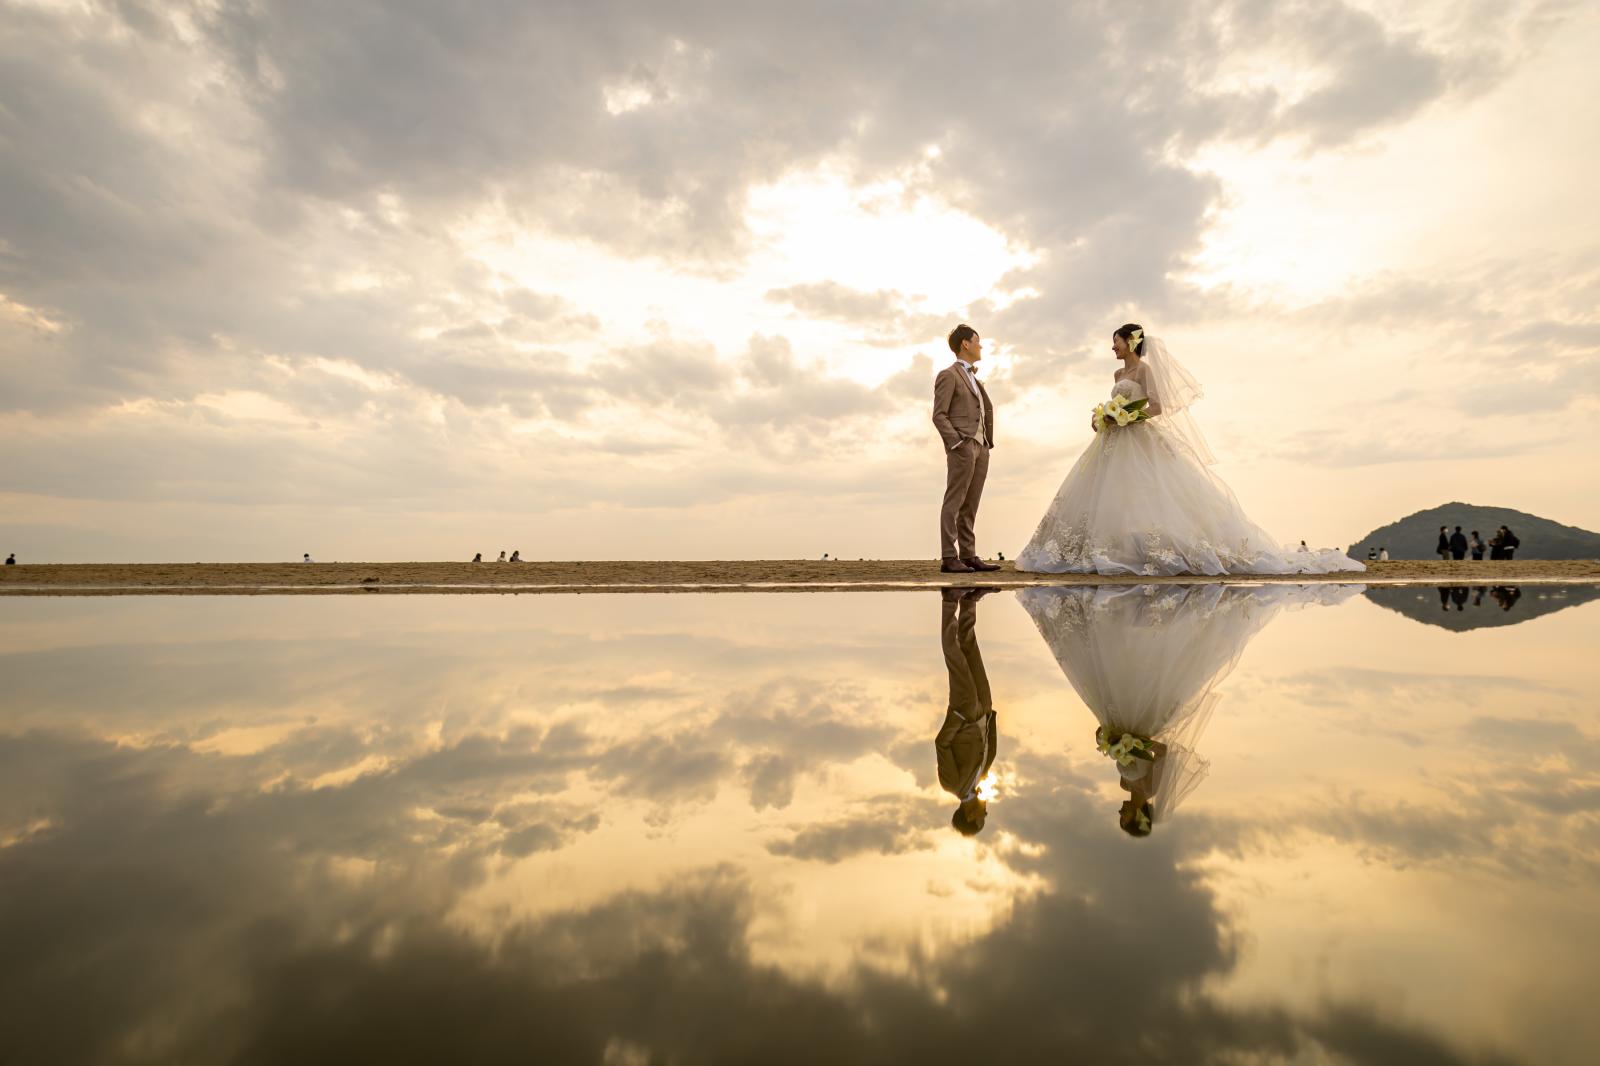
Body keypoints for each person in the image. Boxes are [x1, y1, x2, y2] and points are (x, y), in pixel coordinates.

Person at [1014, 325, 1363, 576]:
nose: (1112, 348)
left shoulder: (1145, 370)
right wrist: (1104, 417)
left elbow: (1156, 406)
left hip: (1137, 436)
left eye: (1116, 341)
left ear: (1130, 342)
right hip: (1113, 440)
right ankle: (1111, 548)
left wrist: (1127, 416)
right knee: (1110, 495)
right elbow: (1117, 402)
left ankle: (1151, 550)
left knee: (1148, 492)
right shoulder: (1118, 374)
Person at [932, 324, 1000, 574]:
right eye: (977, 341)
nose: (981, 346)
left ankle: (968, 555)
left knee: (971, 504)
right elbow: (939, 415)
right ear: (965, 344)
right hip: (963, 445)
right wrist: (957, 442)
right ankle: (949, 557)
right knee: (955, 500)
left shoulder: (975, 378)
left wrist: (985, 443)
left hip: (982, 446)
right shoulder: (948, 375)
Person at [935, 588, 997, 836]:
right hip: (983, 710)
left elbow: (941, 744)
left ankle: (950, 602)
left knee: (955, 657)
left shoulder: (951, 784)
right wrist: (989, 717)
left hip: (965, 710)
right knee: (971, 650)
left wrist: (959, 717)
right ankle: (969, 601)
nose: (985, 812)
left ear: (970, 816)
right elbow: (988, 749)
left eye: (982, 817)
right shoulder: (980, 781)